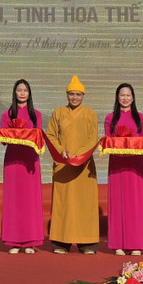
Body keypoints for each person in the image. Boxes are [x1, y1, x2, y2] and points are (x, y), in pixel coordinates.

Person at [45, 76, 99, 254]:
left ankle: (87, 243)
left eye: (78, 94)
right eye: (71, 94)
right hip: (63, 165)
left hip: (84, 165)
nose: (75, 97)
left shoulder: (90, 114)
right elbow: (51, 135)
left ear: (83, 95)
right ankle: (61, 242)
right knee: (63, 204)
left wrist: (80, 154)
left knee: (85, 203)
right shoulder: (58, 113)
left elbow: (92, 138)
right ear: (66, 95)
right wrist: (61, 150)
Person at [104, 83, 143, 256]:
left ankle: (136, 243)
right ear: (117, 97)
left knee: (135, 204)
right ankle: (119, 244)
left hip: (135, 166)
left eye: (128, 95)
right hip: (117, 166)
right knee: (118, 203)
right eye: (122, 95)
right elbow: (107, 141)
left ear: (133, 97)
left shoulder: (140, 118)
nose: (125, 98)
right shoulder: (110, 118)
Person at [0, 79, 43, 254]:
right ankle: (14, 241)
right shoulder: (7, 114)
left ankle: (30, 242)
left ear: (29, 93)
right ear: (15, 92)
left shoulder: (36, 114)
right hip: (13, 161)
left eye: (25, 90)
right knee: (14, 200)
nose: (22, 93)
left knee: (30, 201)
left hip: (30, 161)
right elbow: (3, 139)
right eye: (19, 90)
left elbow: (39, 137)